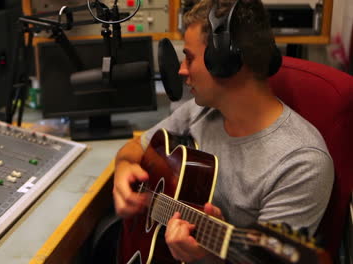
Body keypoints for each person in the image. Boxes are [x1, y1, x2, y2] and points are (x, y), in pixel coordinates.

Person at [112, 0, 334, 263]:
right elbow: (134, 148)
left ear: (225, 62)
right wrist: (124, 169)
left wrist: (210, 254)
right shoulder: (200, 110)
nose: (182, 70)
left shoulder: (301, 162)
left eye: (190, 58)